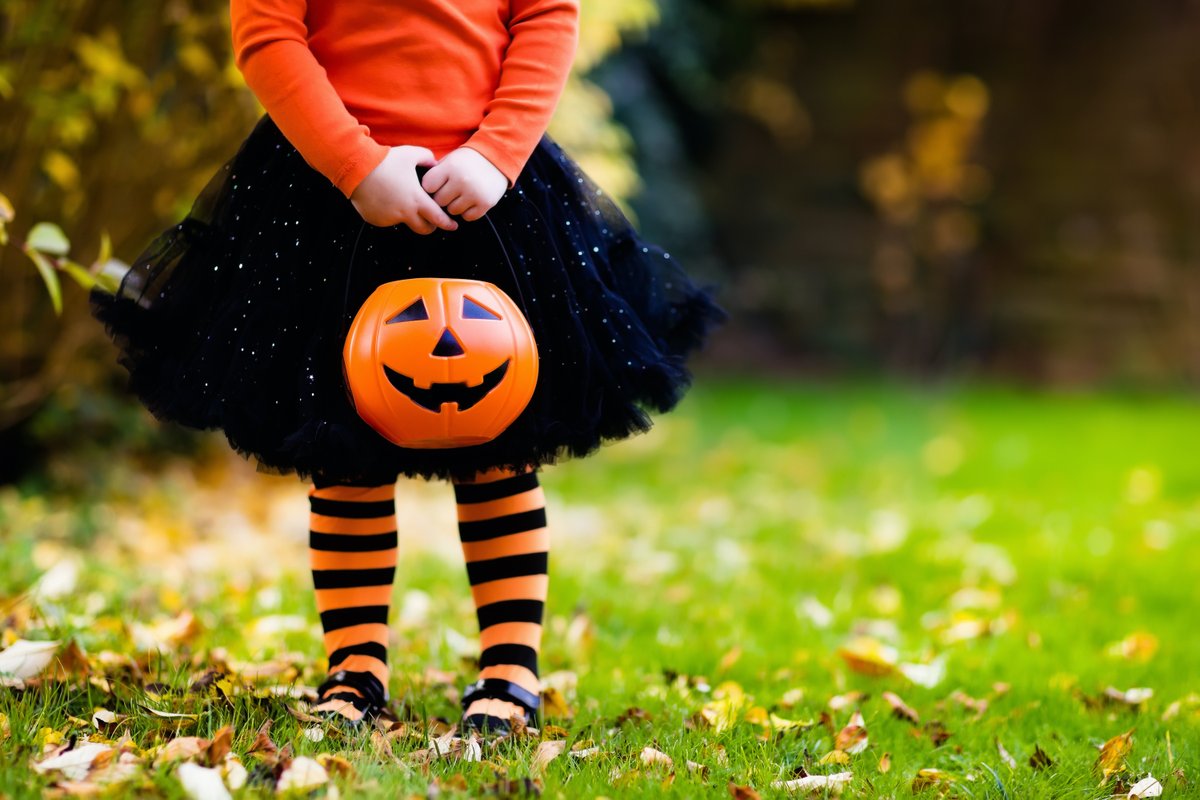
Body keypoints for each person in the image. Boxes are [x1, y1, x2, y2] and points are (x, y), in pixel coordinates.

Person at [91, 0, 724, 734]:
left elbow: (547, 15)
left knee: (501, 449)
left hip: (487, 192)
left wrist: (496, 154)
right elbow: (267, 35)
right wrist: (357, 166)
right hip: (328, 201)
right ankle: (355, 669)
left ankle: (510, 669)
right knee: (344, 451)